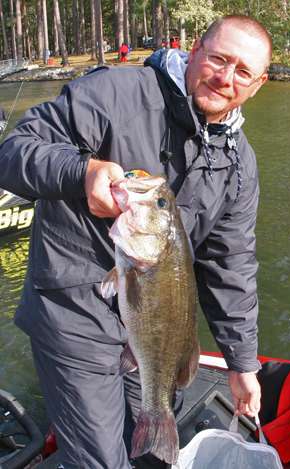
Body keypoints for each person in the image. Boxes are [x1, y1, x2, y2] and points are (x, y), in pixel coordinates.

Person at [0, 15, 271, 469]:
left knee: (157, 442)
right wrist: (80, 173)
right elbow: (13, 151)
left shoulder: (239, 162)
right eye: (219, 59)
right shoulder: (117, 93)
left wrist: (243, 366)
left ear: (258, 84)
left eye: (243, 72)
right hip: (73, 312)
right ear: (195, 49)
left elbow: (231, 266)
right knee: (102, 460)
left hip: (149, 328)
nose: (226, 78)